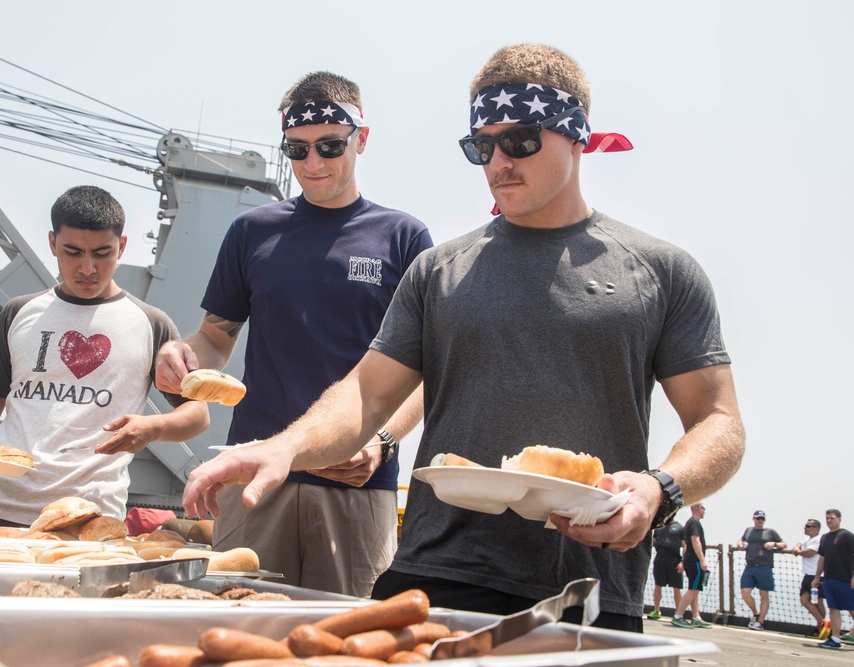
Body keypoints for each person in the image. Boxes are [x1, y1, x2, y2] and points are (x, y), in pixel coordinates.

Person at [174, 43, 745, 631]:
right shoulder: (438, 270)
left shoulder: (660, 271)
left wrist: (660, 490)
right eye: (483, 145)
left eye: (521, 140)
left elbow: (718, 420)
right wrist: (284, 446)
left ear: (577, 135)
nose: (499, 161)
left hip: (588, 580)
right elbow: (367, 393)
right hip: (435, 570)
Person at [156, 71, 433, 596]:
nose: (312, 164)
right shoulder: (251, 232)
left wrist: (382, 442)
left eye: (330, 146)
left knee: (350, 638)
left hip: (355, 478)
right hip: (254, 476)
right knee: (240, 626)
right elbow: (215, 336)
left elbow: (426, 371)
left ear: (362, 139)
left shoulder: (404, 237)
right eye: (297, 149)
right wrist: (181, 352)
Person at [0, 185, 210, 527]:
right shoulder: (18, 312)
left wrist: (153, 426)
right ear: (53, 243)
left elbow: (197, 413)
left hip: (88, 518)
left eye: (102, 253)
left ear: (122, 246)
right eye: (72, 251)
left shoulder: (151, 324)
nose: (87, 267)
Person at [812, 509, 854, 649]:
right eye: (827, 518)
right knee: (833, 609)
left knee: (852, 608)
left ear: (839, 519)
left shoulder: (847, 536)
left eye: (832, 518)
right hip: (829, 579)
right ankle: (835, 639)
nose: (829, 520)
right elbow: (822, 558)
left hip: (845, 578)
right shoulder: (825, 538)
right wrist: (817, 577)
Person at [737, 509, 785, 631]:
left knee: (764, 594)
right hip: (750, 565)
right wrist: (740, 543)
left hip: (764, 566)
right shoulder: (748, 530)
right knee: (745, 592)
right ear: (753, 519)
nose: (760, 521)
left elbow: (784, 544)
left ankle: (761, 622)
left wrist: (773, 544)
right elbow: (742, 539)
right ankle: (755, 613)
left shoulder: (770, 532)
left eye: (762, 519)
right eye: (758, 518)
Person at [671, 504, 708, 628]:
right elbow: (695, 540)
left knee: (694, 589)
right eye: (703, 508)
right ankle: (678, 615)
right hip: (695, 561)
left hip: (689, 559)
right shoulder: (695, 523)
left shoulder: (689, 523)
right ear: (698, 508)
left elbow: (686, 544)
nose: (705, 511)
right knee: (694, 589)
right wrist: (702, 560)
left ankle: (695, 616)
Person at [791, 518, 827, 637]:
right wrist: (797, 548)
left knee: (818, 601)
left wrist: (798, 552)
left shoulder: (819, 540)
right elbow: (799, 544)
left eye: (808, 526)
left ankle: (822, 626)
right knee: (804, 599)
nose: (805, 528)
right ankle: (821, 623)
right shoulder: (808, 539)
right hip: (808, 574)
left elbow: (810, 552)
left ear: (816, 529)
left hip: (817, 575)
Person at [647, 519, 684, 622]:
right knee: (658, 585)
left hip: (674, 559)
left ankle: (678, 613)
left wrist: (682, 562)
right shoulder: (659, 527)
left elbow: (685, 546)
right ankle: (656, 610)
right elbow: (652, 542)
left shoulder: (679, 527)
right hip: (660, 558)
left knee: (677, 587)